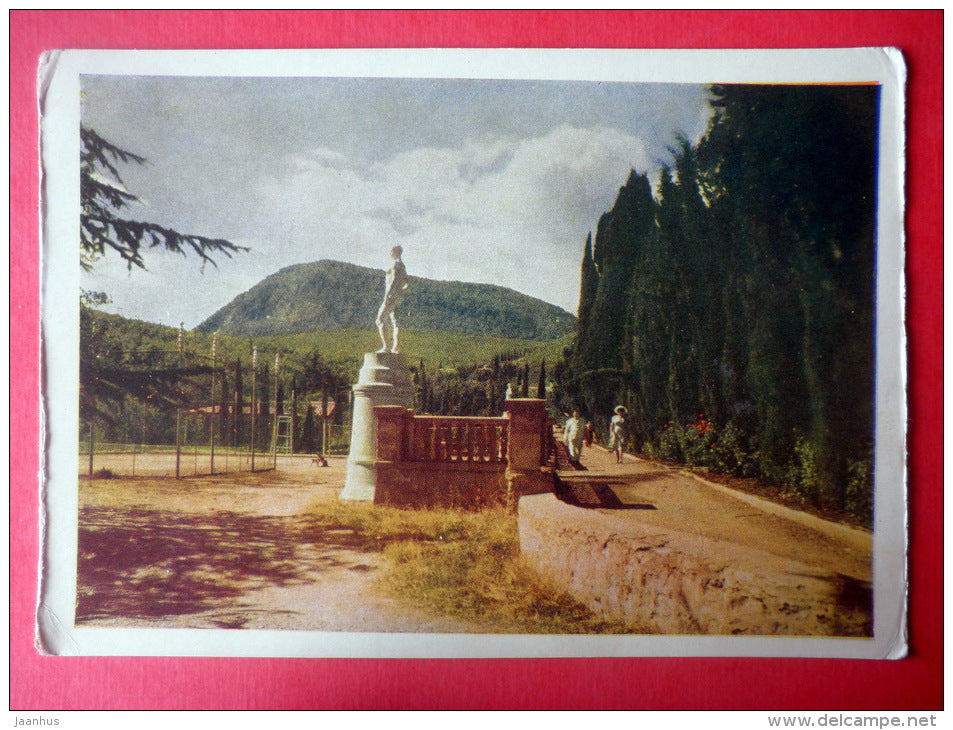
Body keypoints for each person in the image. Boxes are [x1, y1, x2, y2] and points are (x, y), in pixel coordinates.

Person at [376, 245, 409, 353]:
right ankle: (396, 347)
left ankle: (386, 347)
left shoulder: (395, 264)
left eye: (390, 250)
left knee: (380, 320)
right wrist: (401, 292)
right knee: (396, 322)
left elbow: (393, 279)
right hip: (399, 297)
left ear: (395, 251)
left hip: (391, 296)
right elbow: (407, 284)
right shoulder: (403, 266)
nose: (389, 253)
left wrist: (388, 294)